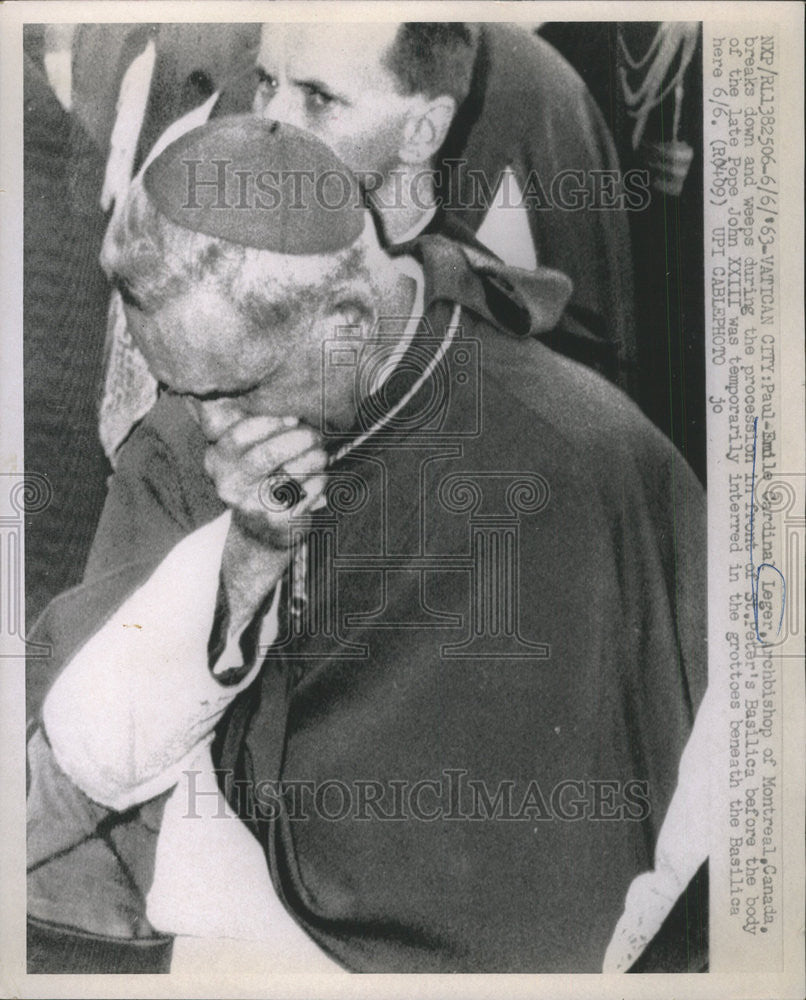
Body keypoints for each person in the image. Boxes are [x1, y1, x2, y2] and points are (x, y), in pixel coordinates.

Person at [27, 116, 706, 974]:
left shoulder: (576, 457)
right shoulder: (218, 427)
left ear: (348, 316)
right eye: (177, 388)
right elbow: (86, 750)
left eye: (230, 390)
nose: (204, 428)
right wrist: (248, 556)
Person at [98, 22, 637, 460]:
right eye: (267, 83)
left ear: (423, 130)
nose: (273, 123)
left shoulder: (495, 336)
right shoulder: (200, 235)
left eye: (318, 98)